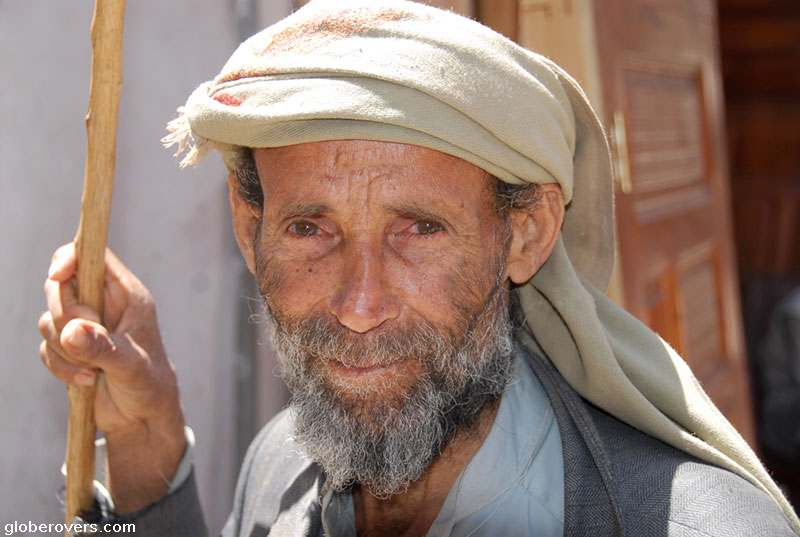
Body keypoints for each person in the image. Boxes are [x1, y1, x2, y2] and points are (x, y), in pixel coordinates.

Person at [39, 1, 800, 535]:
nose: (360, 304)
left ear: (527, 233)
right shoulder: (279, 461)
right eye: (310, 227)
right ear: (251, 228)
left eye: (420, 229)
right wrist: (147, 444)